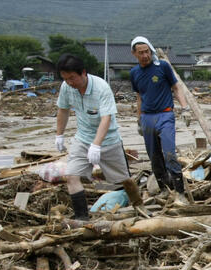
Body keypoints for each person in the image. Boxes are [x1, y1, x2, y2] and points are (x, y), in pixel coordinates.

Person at [54, 53, 148, 220]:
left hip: (109, 141)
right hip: (82, 139)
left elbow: (106, 118)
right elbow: (63, 109)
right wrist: (59, 135)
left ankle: (140, 209)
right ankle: (82, 217)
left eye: (72, 78)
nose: (69, 82)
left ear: (83, 72)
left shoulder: (101, 88)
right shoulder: (66, 87)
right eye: (65, 78)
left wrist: (97, 145)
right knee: (71, 176)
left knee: (124, 181)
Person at [129, 36, 189, 202]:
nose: (145, 55)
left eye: (147, 51)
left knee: (169, 153)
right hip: (147, 118)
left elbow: (176, 87)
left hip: (165, 114)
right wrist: (138, 120)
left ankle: (180, 192)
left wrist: (185, 108)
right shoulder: (134, 73)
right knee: (154, 156)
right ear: (134, 54)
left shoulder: (162, 67)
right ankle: (164, 188)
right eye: (140, 53)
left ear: (151, 50)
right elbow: (139, 96)